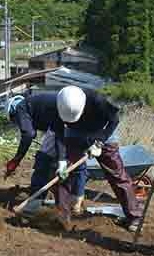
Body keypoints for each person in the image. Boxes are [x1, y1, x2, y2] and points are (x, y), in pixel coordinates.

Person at [54, 85, 142, 231]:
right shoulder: (60, 103)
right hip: (75, 133)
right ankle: (63, 216)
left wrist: (100, 141)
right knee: (64, 173)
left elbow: (114, 120)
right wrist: (62, 160)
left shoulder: (97, 99)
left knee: (117, 174)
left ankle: (134, 217)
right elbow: (59, 134)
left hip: (102, 132)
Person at [3, 93, 87, 215]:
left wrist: (16, 159)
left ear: (12, 113)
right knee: (72, 163)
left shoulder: (21, 108)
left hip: (64, 126)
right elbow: (57, 131)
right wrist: (61, 160)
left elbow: (29, 135)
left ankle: (33, 207)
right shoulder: (41, 104)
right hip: (73, 127)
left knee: (43, 161)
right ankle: (75, 201)